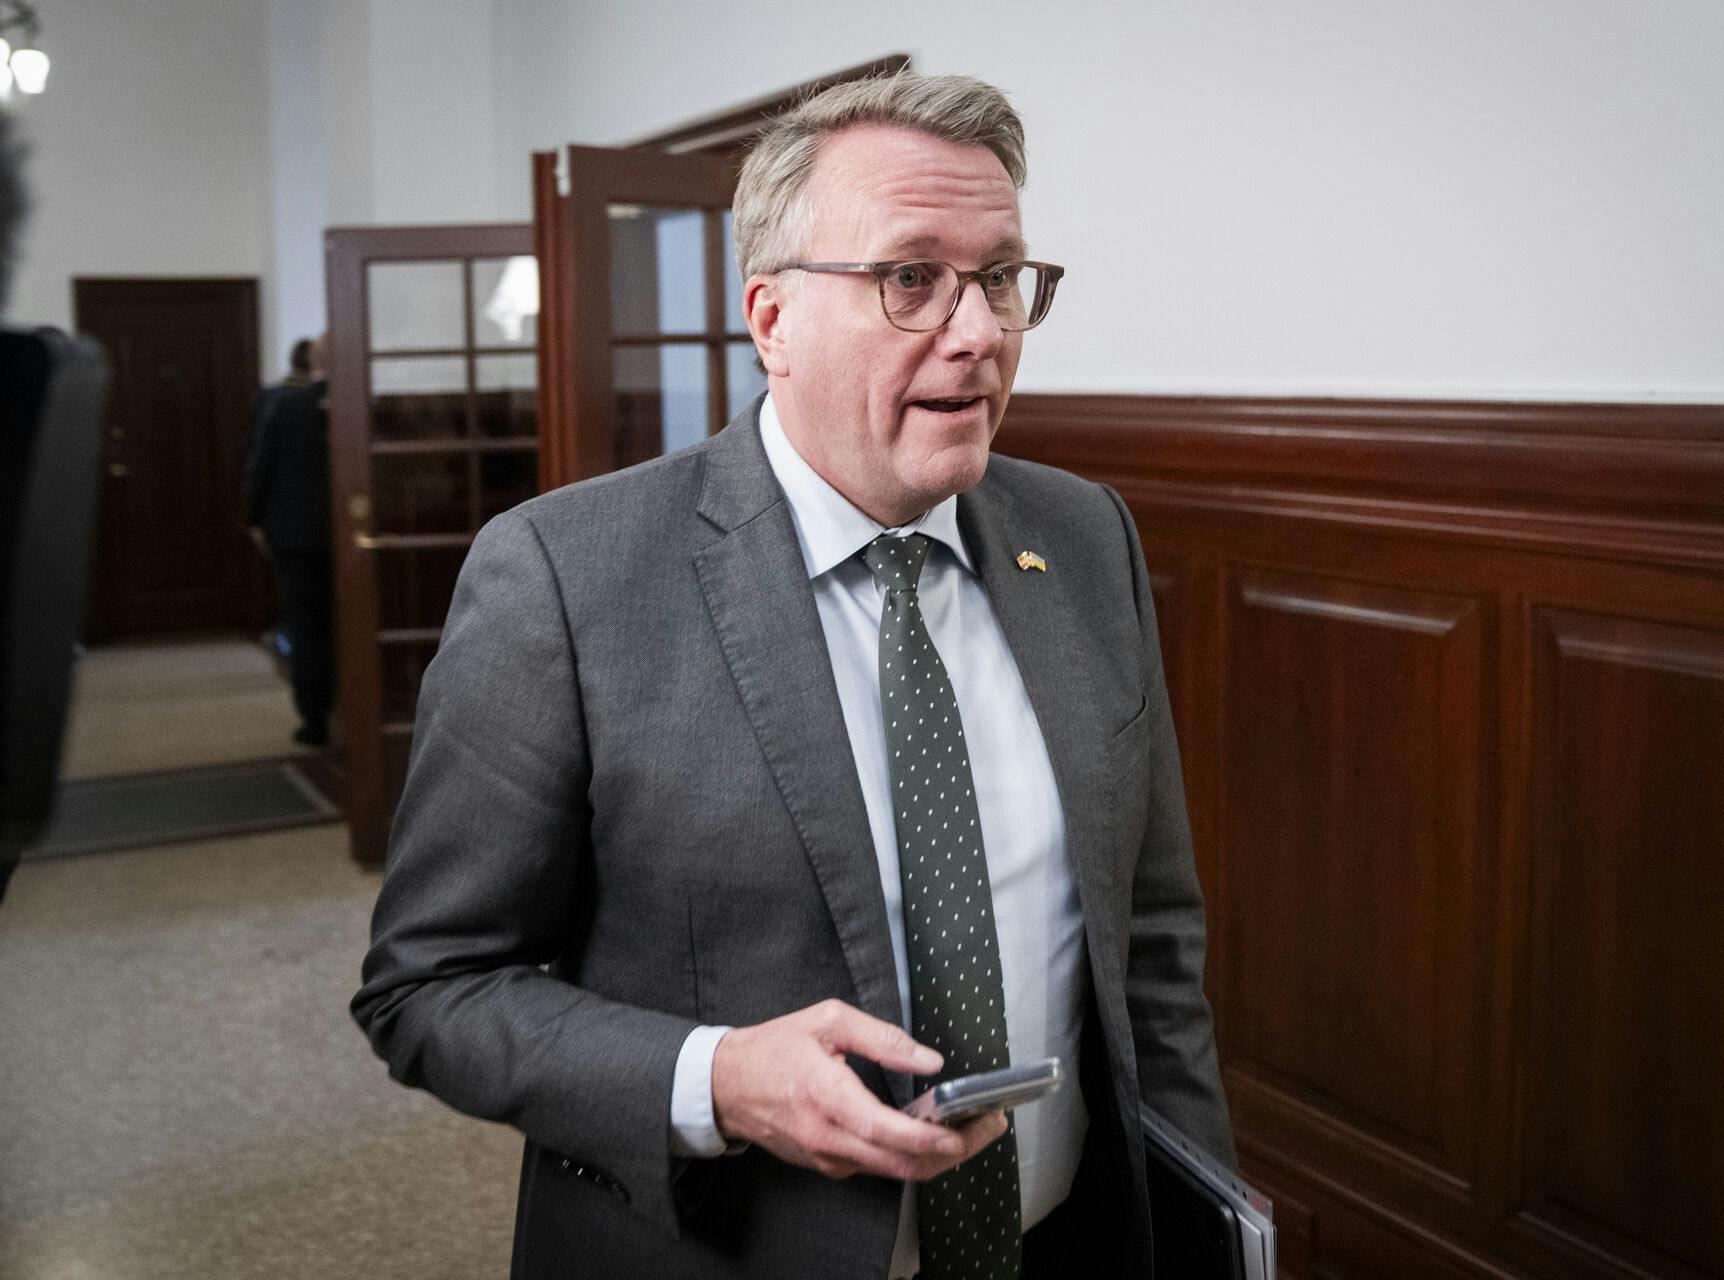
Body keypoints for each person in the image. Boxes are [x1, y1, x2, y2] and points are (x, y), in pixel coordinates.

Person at [352, 73, 1231, 1280]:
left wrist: (1202, 1236)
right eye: (911, 277)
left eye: (1000, 278)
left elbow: (1154, 947)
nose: (978, 332)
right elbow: (430, 989)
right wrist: (714, 1080)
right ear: (772, 318)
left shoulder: (1086, 538)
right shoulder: (565, 577)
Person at [243, 333, 334, 746]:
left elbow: (261, 465)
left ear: (311, 360)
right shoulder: (364, 405)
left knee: (304, 625)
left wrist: (255, 520)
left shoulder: (284, 405)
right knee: (346, 622)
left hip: (294, 532)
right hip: (351, 533)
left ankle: (314, 719)